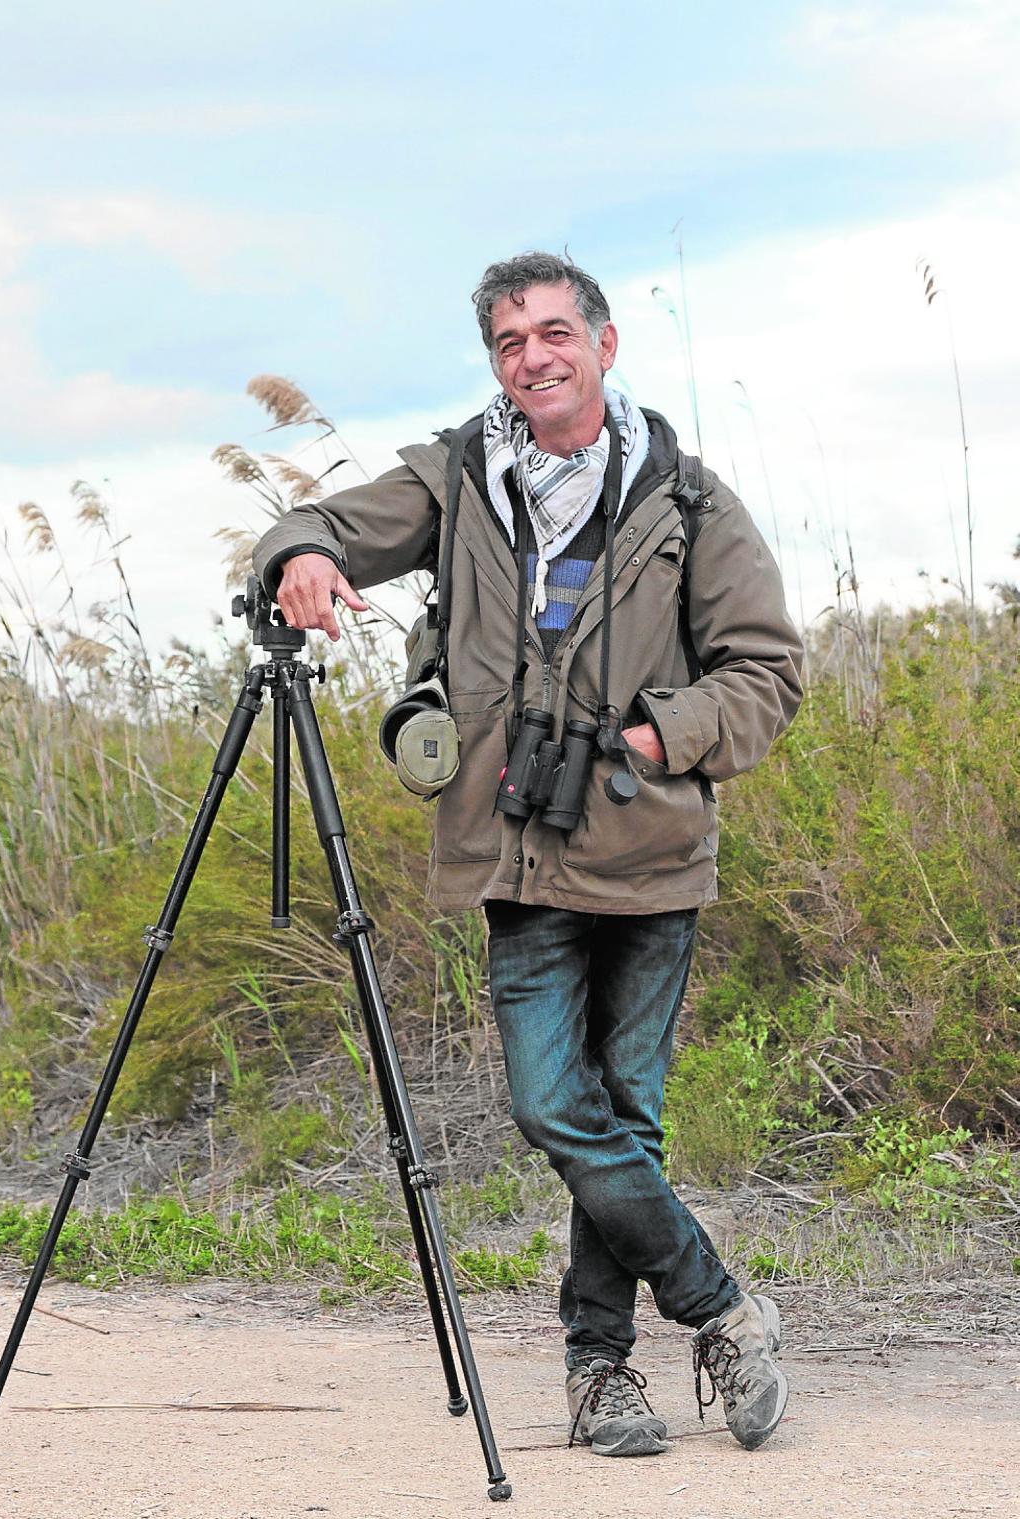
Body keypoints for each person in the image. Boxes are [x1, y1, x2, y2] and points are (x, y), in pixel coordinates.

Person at [252, 251, 803, 1457]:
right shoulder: (458, 477)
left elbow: (769, 671)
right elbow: (332, 522)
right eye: (510, 342)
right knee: (558, 1105)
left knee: (627, 1118)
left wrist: (669, 734)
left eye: (555, 332)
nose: (534, 357)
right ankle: (724, 1309)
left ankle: (599, 1370)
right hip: (520, 850)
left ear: (605, 345)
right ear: (495, 362)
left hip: (650, 847)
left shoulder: (691, 502)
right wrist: (302, 553)